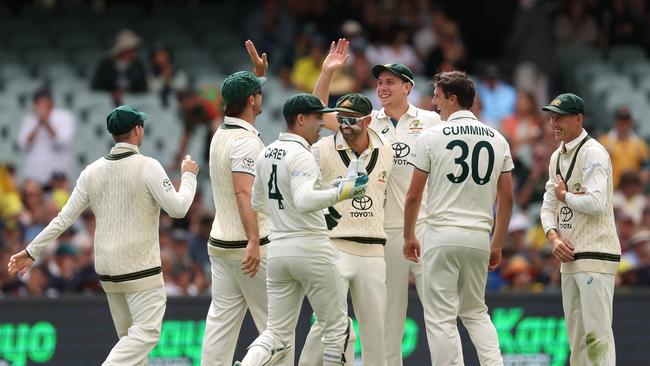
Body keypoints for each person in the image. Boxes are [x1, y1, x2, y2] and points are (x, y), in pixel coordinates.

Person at [7, 105, 199, 365]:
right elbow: (178, 209)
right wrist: (188, 176)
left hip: (108, 271)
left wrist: (32, 250)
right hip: (140, 270)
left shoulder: (91, 171)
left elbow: (63, 218)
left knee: (131, 346)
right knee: (146, 335)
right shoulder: (148, 165)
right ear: (137, 130)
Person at [314, 39, 441, 365]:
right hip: (383, 231)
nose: (382, 87)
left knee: (439, 313)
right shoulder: (369, 121)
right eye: (379, 82)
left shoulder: (429, 121)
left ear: (407, 86)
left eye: (389, 82)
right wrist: (328, 72)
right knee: (389, 321)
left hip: (424, 226)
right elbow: (317, 116)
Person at [235, 93, 369, 366]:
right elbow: (305, 200)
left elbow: (257, 202)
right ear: (300, 119)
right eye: (317, 117)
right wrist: (342, 191)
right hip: (312, 248)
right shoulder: (302, 155)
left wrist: (299, 212)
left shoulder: (266, 152)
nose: (322, 122)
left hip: (280, 251)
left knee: (276, 334)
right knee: (339, 330)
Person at [403, 70, 513, 366]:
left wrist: (408, 235)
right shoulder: (498, 138)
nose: (434, 103)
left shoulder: (431, 136)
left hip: (441, 234)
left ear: (452, 99)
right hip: (479, 237)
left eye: (438, 97)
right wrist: (497, 243)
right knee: (477, 313)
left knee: (441, 317)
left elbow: (413, 195)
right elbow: (507, 199)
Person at [201, 39, 281, 366]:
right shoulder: (246, 143)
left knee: (220, 327)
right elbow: (243, 192)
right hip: (250, 245)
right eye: (258, 92)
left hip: (221, 244)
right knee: (278, 331)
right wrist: (252, 240)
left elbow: (244, 95)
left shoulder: (221, 133)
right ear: (251, 100)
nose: (261, 96)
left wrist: (257, 74)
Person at [299, 93, 393, 365]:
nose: (345, 124)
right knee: (325, 324)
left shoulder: (386, 148)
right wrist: (327, 72)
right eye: (340, 118)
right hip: (335, 247)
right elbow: (311, 113)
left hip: (374, 250)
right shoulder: (322, 149)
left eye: (352, 119)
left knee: (376, 331)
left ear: (368, 120)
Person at [540, 93, 620, 365]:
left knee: (597, 337)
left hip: (596, 253)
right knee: (577, 340)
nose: (554, 123)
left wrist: (565, 197)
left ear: (578, 118)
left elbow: (597, 203)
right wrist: (553, 238)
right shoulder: (556, 157)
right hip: (569, 257)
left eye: (559, 117)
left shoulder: (593, 152)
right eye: (551, 117)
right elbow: (546, 206)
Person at [17, 88, 75, 185]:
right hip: (34, 177)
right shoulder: (29, 119)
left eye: (46, 104)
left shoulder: (64, 116)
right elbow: (22, 144)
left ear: (51, 103)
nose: (43, 108)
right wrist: (37, 124)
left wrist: (47, 123)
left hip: (58, 177)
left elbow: (63, 141)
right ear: (35, 105)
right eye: (39, 105)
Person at [91, 29, 148, 105]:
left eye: (135, 50)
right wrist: (112, 93)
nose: (134, 53)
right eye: (132, 49)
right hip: (108, 103)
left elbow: (143, 87)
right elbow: (97, 86)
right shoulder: (106, 65)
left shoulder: (138, 66)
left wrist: (128, 94)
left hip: (133, 103)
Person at [597, 106, 649, 189]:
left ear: (631, 123)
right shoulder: (604, 141)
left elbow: (645, 168)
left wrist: (641, 182)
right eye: (620, 120)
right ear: (615, 122)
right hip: (611, 190)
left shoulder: (640, 144)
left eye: (626, 121)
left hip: (633, 191)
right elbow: (597, 166)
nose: (623, 124)